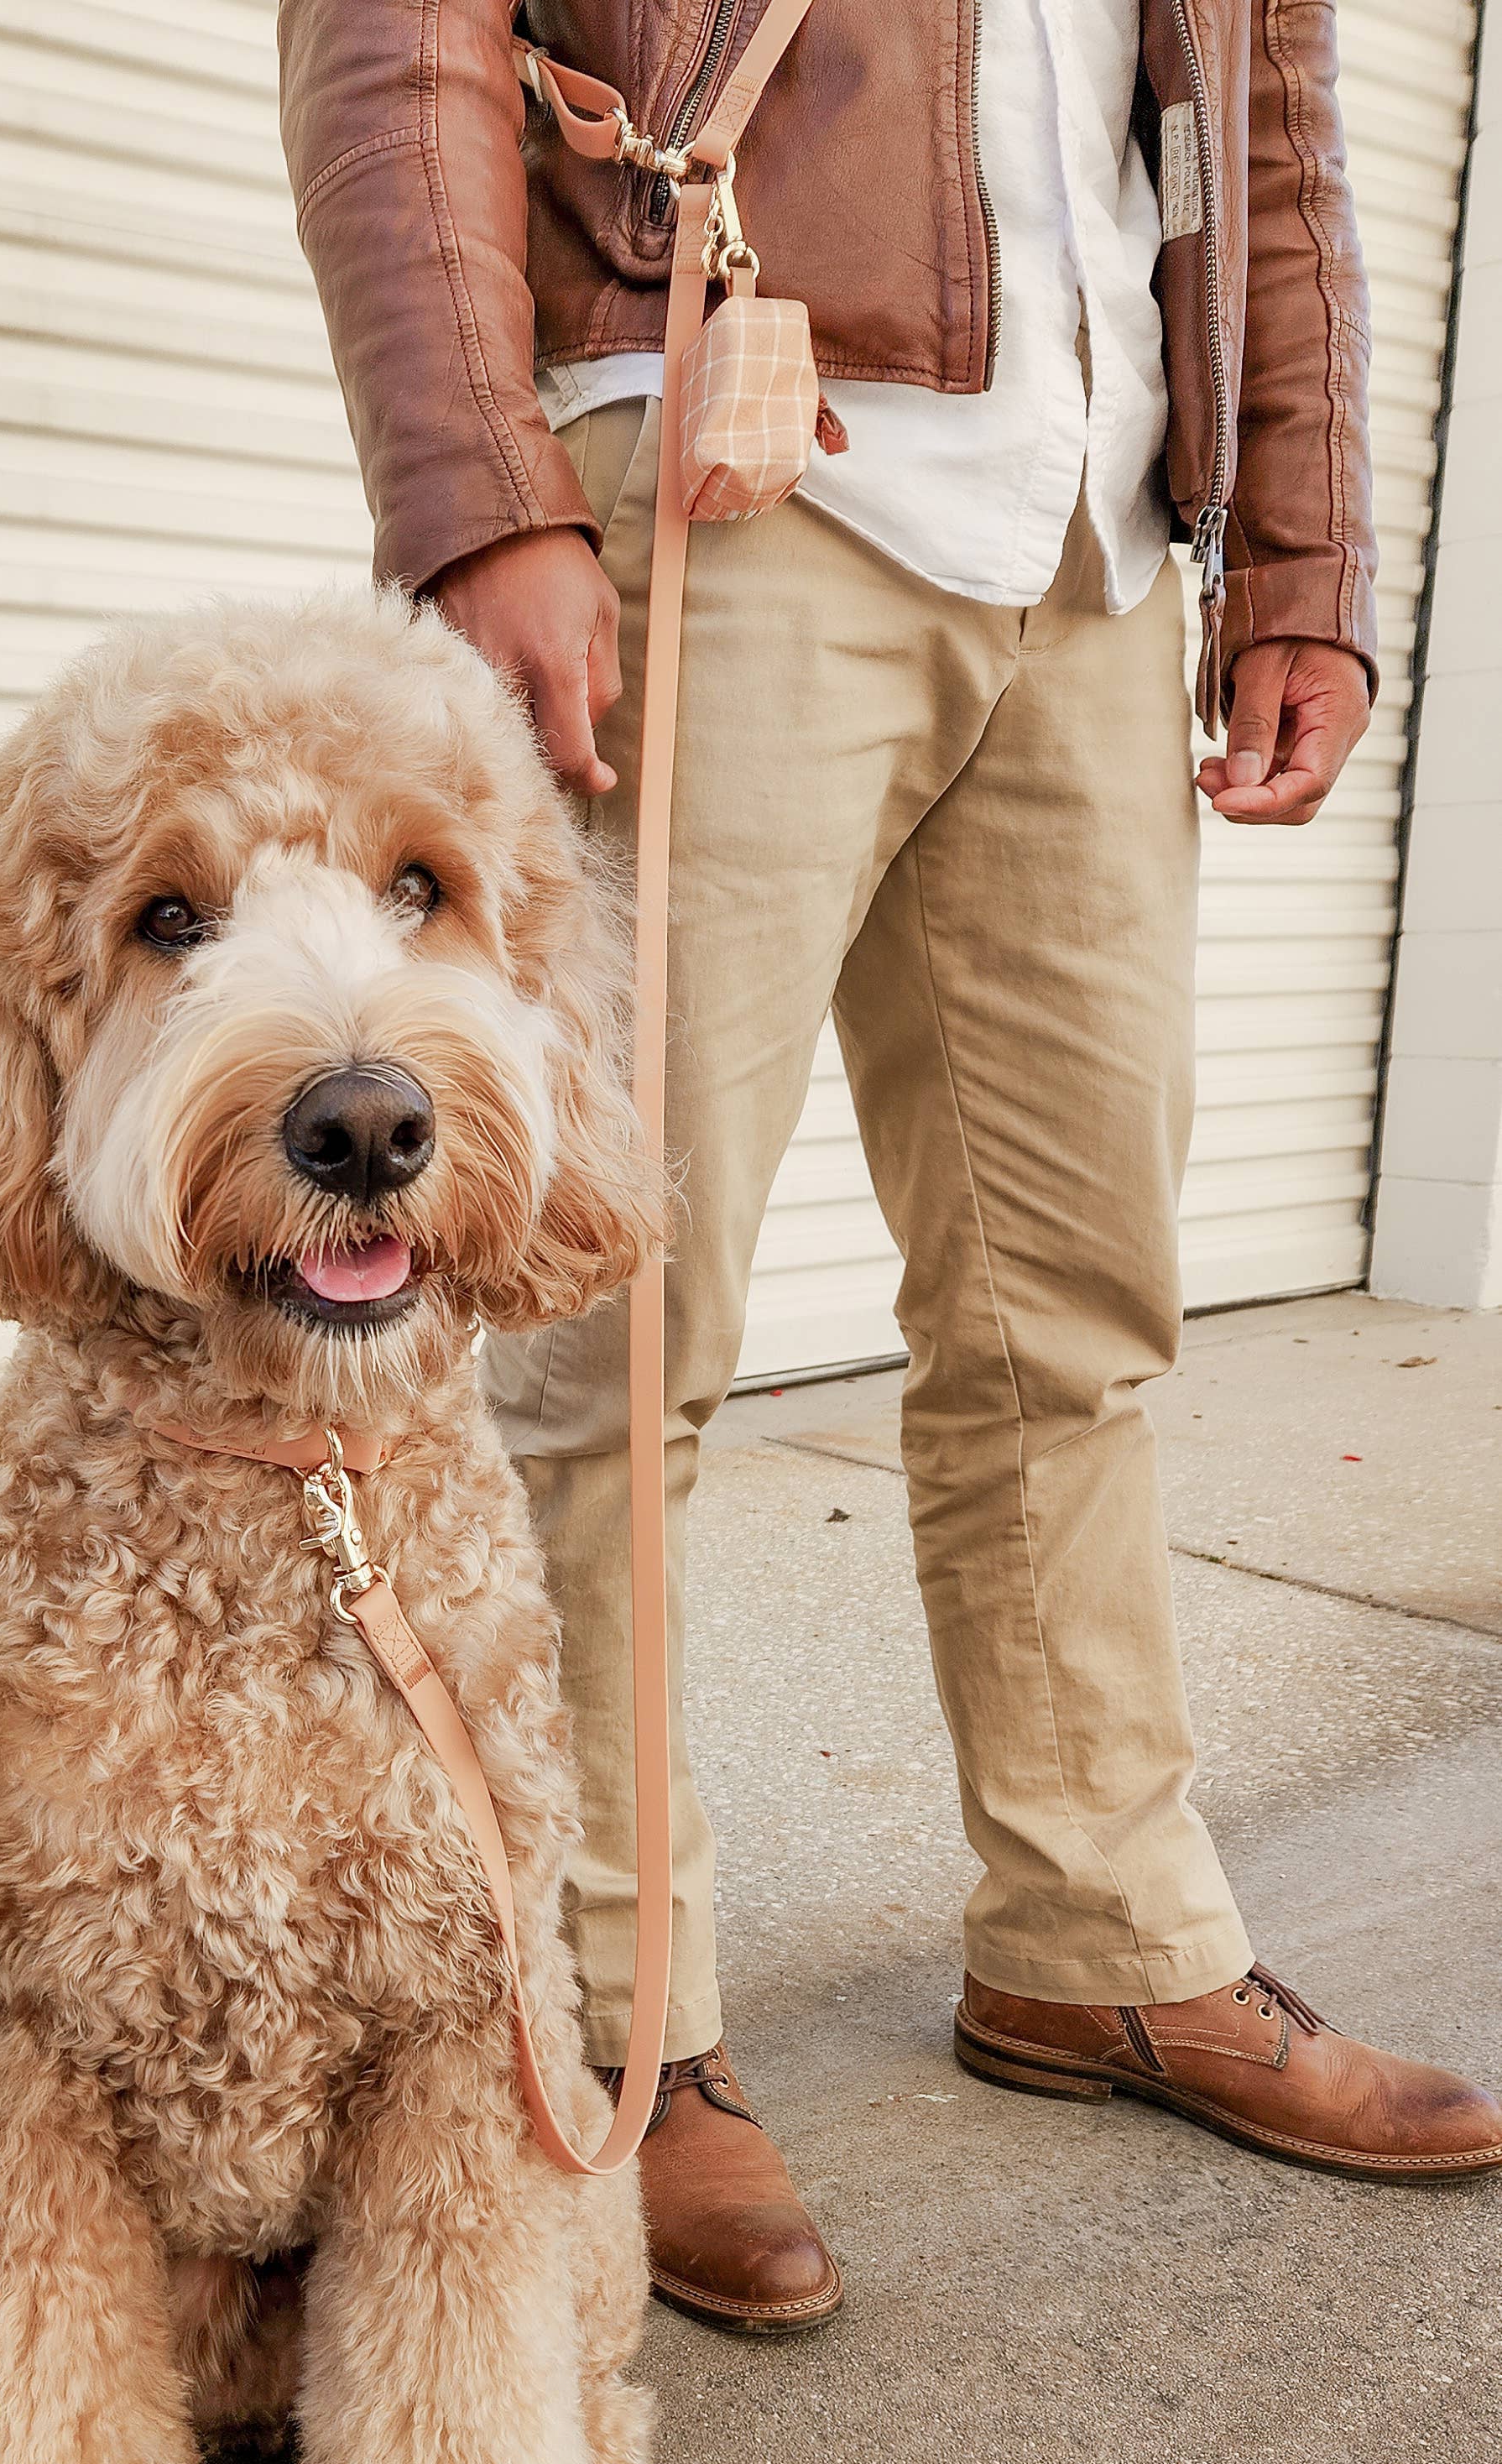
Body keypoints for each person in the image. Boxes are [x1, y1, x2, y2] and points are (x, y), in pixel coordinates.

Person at [277, 0, 1502, 2331]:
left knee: (1071, 1314)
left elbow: (1266, 136)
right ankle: (602, 2013)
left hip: (1088, 534)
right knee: (597, 1327)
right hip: (734, 481)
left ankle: (1097, 1941)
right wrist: (481, 494)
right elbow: (395, 43)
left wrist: (1304, 558)